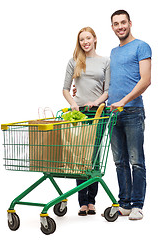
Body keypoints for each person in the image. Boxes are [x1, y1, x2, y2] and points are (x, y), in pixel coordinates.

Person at [108, 10, 152, 220]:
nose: (120, 27)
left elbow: (145, 80)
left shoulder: (141, 46)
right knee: (119, 162)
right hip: (112, 114)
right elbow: (111, 85)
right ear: (112, 27)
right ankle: (124, 204)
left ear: (130, 23)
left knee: (136, 161)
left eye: (123, 22)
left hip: (133, 111)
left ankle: (137, 205)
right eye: (116, 24)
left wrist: (123, 102)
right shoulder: (114, 52)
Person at [63, 27, 110, 216]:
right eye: (82, 39)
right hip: (80, 114)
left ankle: (92, 201)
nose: (85, 42)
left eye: (88, 38)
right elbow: (65, 89)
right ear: (79, 42)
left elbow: (108, 90)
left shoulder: (105, 61)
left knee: (95, 156)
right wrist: (74, 104)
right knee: (80, 157)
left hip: (98, 112)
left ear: (95, 39)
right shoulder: (73, 62)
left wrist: (96, 102)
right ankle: (82, 202)